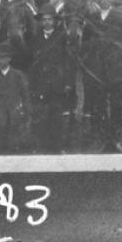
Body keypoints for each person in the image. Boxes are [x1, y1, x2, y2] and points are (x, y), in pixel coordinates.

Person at [85, 0, 122, 152]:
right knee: (99, 103)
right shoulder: (92, 18)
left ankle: (116, 136)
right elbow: (85, 41)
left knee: (116, 103)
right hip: (97, 69)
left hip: (116, 68)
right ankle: (103, 137)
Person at [30, 8, 75, 153]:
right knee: (41, 116)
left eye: (49, 19)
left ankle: (57, 147)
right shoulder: (35, 38)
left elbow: (68, 61)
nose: (46, 22)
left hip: (57, 83)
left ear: (55, 21)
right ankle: (42, 147)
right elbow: (33, 63)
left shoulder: (62, 37)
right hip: (41, 83)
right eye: (44, 20)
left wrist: (68, 82)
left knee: (57, 116)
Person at [0, 42, 32, 153]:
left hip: (13, 116)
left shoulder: (18, 75)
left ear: (9, 59)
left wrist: (27, 112)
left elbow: (25, 95)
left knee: (13, 145)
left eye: (2, 58)